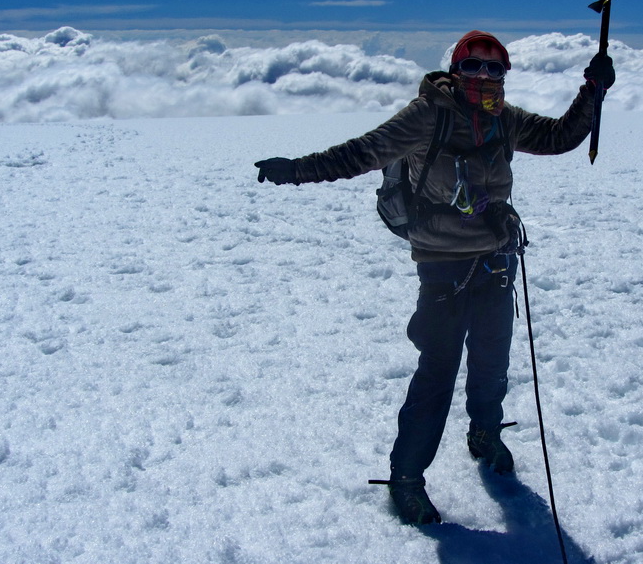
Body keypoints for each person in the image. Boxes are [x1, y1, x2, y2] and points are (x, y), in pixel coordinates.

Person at [255, 31, 614, 525]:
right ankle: (406, 478)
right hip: (442, 264)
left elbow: (556, 138)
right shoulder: (429, 114)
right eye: (474, 67)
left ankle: (485, 432)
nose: (484, 77)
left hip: (495, 259)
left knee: (492, 361)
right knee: (438, 372)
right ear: (456, 69)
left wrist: (591, 92)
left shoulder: (504, 119)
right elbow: (363, 152)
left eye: (495, 70)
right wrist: (294, 170)